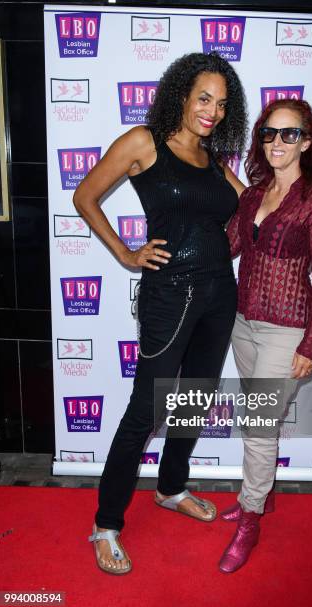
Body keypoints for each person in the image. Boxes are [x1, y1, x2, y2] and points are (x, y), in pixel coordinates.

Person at [73, 52, 246, 574]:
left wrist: (303, 187)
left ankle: (171, 488)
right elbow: (86, 196)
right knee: (146, 411)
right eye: (203, 98)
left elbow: (254, 205)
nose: (212, 111)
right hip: (170, 297)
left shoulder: (215, 159)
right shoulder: (143, 141)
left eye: (221, 103)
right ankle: (105, 526)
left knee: (193, 400)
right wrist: (126, 254)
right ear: (181, 94)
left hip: (220, 294)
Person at [219, 99, 312, 573]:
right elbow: (229, 244)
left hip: (287, 329)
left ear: (306, 142)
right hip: (242, 324)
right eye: (269, 133)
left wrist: (311, 345)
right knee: (256, 422)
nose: (277, 142)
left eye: (289, 134)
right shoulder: (253, 193)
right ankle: (261, 498)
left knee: (257, 427)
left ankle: (249, 519)